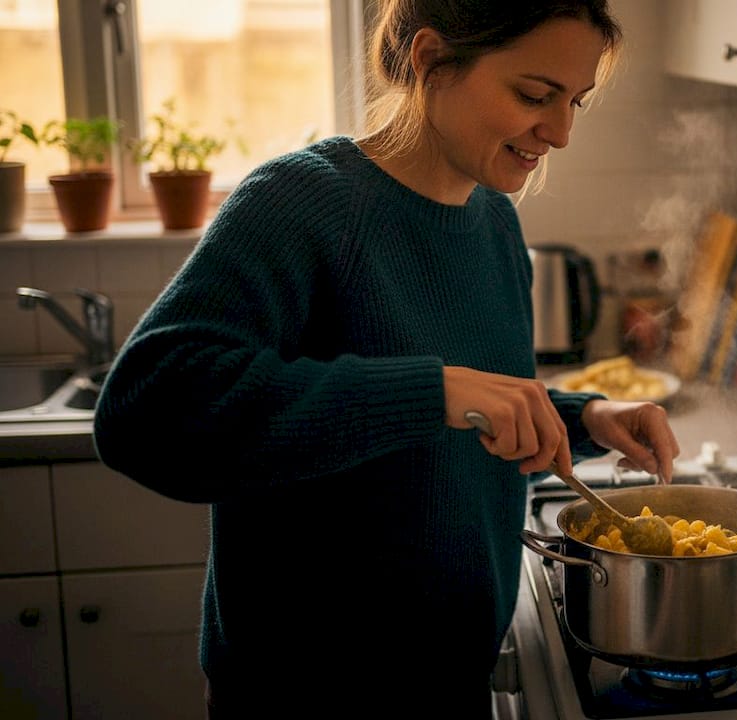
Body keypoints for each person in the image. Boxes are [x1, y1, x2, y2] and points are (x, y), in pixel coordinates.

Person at [92, 1, 679, 716]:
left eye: (574, 102)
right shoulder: (303, 202)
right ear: (431, 60)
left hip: (450, 681)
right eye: (534, 96)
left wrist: (582, 416)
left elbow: (462, 411)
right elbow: (143, 411)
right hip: (305, 691)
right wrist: (432, 390)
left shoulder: (493, 221)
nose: (558, 133)